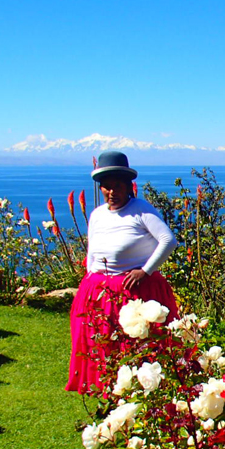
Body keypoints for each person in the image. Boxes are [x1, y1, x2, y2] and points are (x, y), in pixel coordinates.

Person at [66, 151, 179, 393]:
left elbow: (168, 240)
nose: (112, 192)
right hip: (98, 289)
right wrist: (89, 280)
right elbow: (92, 251)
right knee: (98, 339)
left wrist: (145, 271)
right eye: (106, 187)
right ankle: (102, 386)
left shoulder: (140, 210)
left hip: (132, 289)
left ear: (129, 186)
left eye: (117, 186)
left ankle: (138, 388)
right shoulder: (97, 215)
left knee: (131, 342)